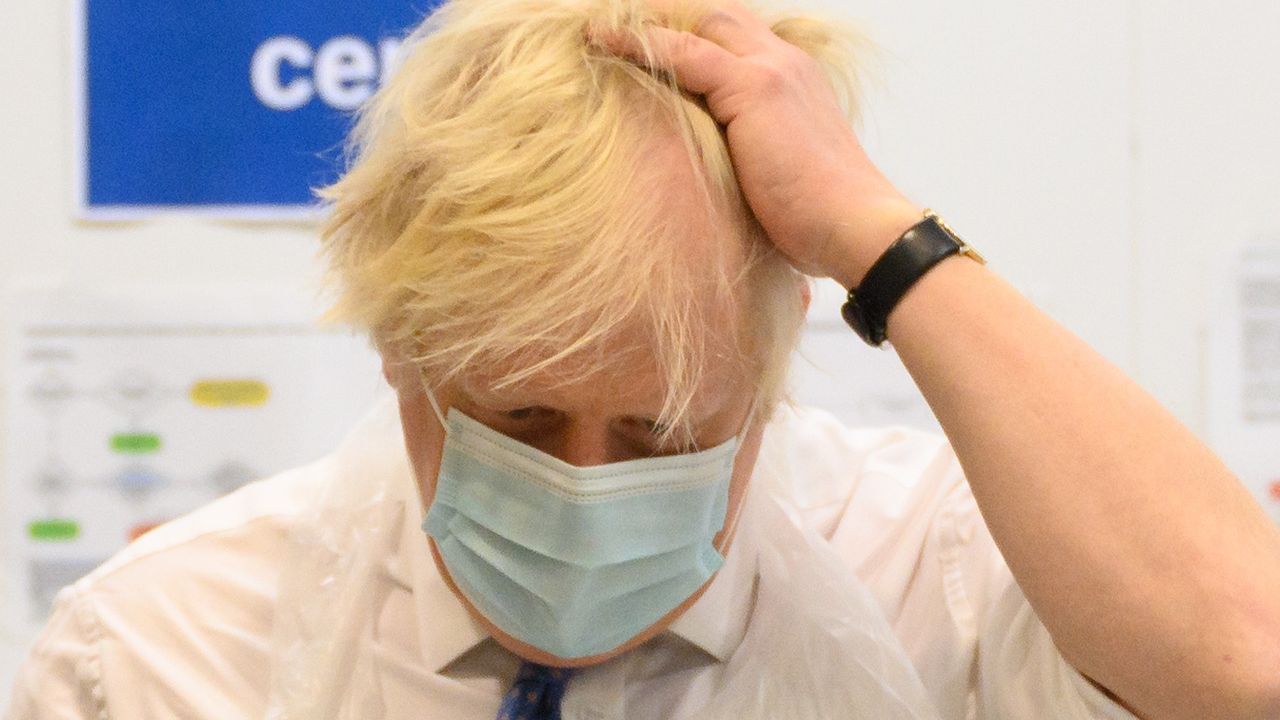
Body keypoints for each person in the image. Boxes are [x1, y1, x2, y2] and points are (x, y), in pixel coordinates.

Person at [8, 0, 1280, 717]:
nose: (582, 482)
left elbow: (1248, 665)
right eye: (515, 417)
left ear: (770, 382)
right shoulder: (165, 650)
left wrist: (880, 241)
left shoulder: (939, 575)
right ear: (399, 355)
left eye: (663, 434)